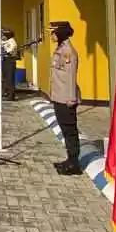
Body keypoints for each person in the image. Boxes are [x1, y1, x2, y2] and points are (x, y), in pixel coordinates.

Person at [47, 21, 81, 175]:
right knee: (65, 130)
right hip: (59, 97)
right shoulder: (60, 49)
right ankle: (69, 160)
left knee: (70, 131)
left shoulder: (68, 51)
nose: (51, 35)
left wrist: (71, 99)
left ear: (60, 33)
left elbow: (71, 76)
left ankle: (74, 164)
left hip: (66, 99)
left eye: (53, 32)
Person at [1, 29, 18, 100]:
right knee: (5, 78)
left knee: (10, 78)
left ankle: (11, 95)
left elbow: (10, 50)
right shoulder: (6, 41)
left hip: (10, 60)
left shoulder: (12, 42)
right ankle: (6, 92)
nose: (2, 36)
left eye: (4, 35)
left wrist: (4, 50)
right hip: (5, 60)